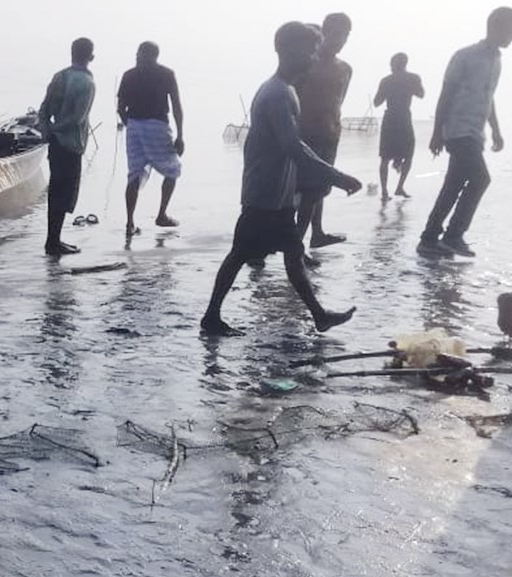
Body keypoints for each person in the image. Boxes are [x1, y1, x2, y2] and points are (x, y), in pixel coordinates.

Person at [200, 22, 362, 338]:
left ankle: (318, 315)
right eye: (311, 50)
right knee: (241, 253)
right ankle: (211, 317)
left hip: (277, 191)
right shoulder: (276, 93)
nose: (316, 57)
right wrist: (336, 176)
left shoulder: (286, 90)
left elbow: (290, 148)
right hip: (264, 192)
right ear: (287, 51)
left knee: (291, 252)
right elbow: (292, 145)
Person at [417, 7, 512, 258]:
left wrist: (497, 130)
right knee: (481, 179)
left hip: (475, 132)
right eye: (509, 31)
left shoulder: (497, 62)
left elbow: (488, 98)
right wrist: (437, 132)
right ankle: (453, 235)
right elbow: (446, 94)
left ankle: (428, 239)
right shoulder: (465, 56)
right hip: (458, 130)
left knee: (454, 184)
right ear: (496, 27)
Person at [294, 13, 354, 251]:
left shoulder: (345, 69)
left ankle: (315, 234)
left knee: (319, 190)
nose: (340, 39)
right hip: (303, 136)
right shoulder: (306, 64)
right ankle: (293, 247)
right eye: (336, 33)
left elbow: (338, 102)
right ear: (325, 33)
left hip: (329, 135)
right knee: (299, 193)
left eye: (345, 35)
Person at [117, 41, 185, 239]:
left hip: (135, 126)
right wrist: (180, 135)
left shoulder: (129, 75)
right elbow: (176, 106)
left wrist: (130, 126)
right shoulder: (166, 74)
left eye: (140, 54)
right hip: (157, 126)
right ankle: (161, 214)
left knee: (134, 175)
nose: (138, 57)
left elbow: (120, 108)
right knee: (173, 170)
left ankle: (130, 222)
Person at [38, 37, 96, 256]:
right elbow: (78, 118)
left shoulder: (60, 76)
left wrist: (48, 130)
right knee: (64, 194)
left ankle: (53, 240)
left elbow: (44, 109)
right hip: (71, 145)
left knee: (55, 192)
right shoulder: (87, 82)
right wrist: (57, 130)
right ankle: (53, 242)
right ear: (91, 56)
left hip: (55, 144)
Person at [374, 53, 425, 201]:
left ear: (394, 65)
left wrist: (388, 91)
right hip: (403, 117)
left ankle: (385, 191)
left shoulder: (386, 81)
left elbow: (377, 102)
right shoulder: (413, 78)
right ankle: (399, 186)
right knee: (408, 155)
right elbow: (421, 94)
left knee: (385, 157)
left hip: (390, 118)